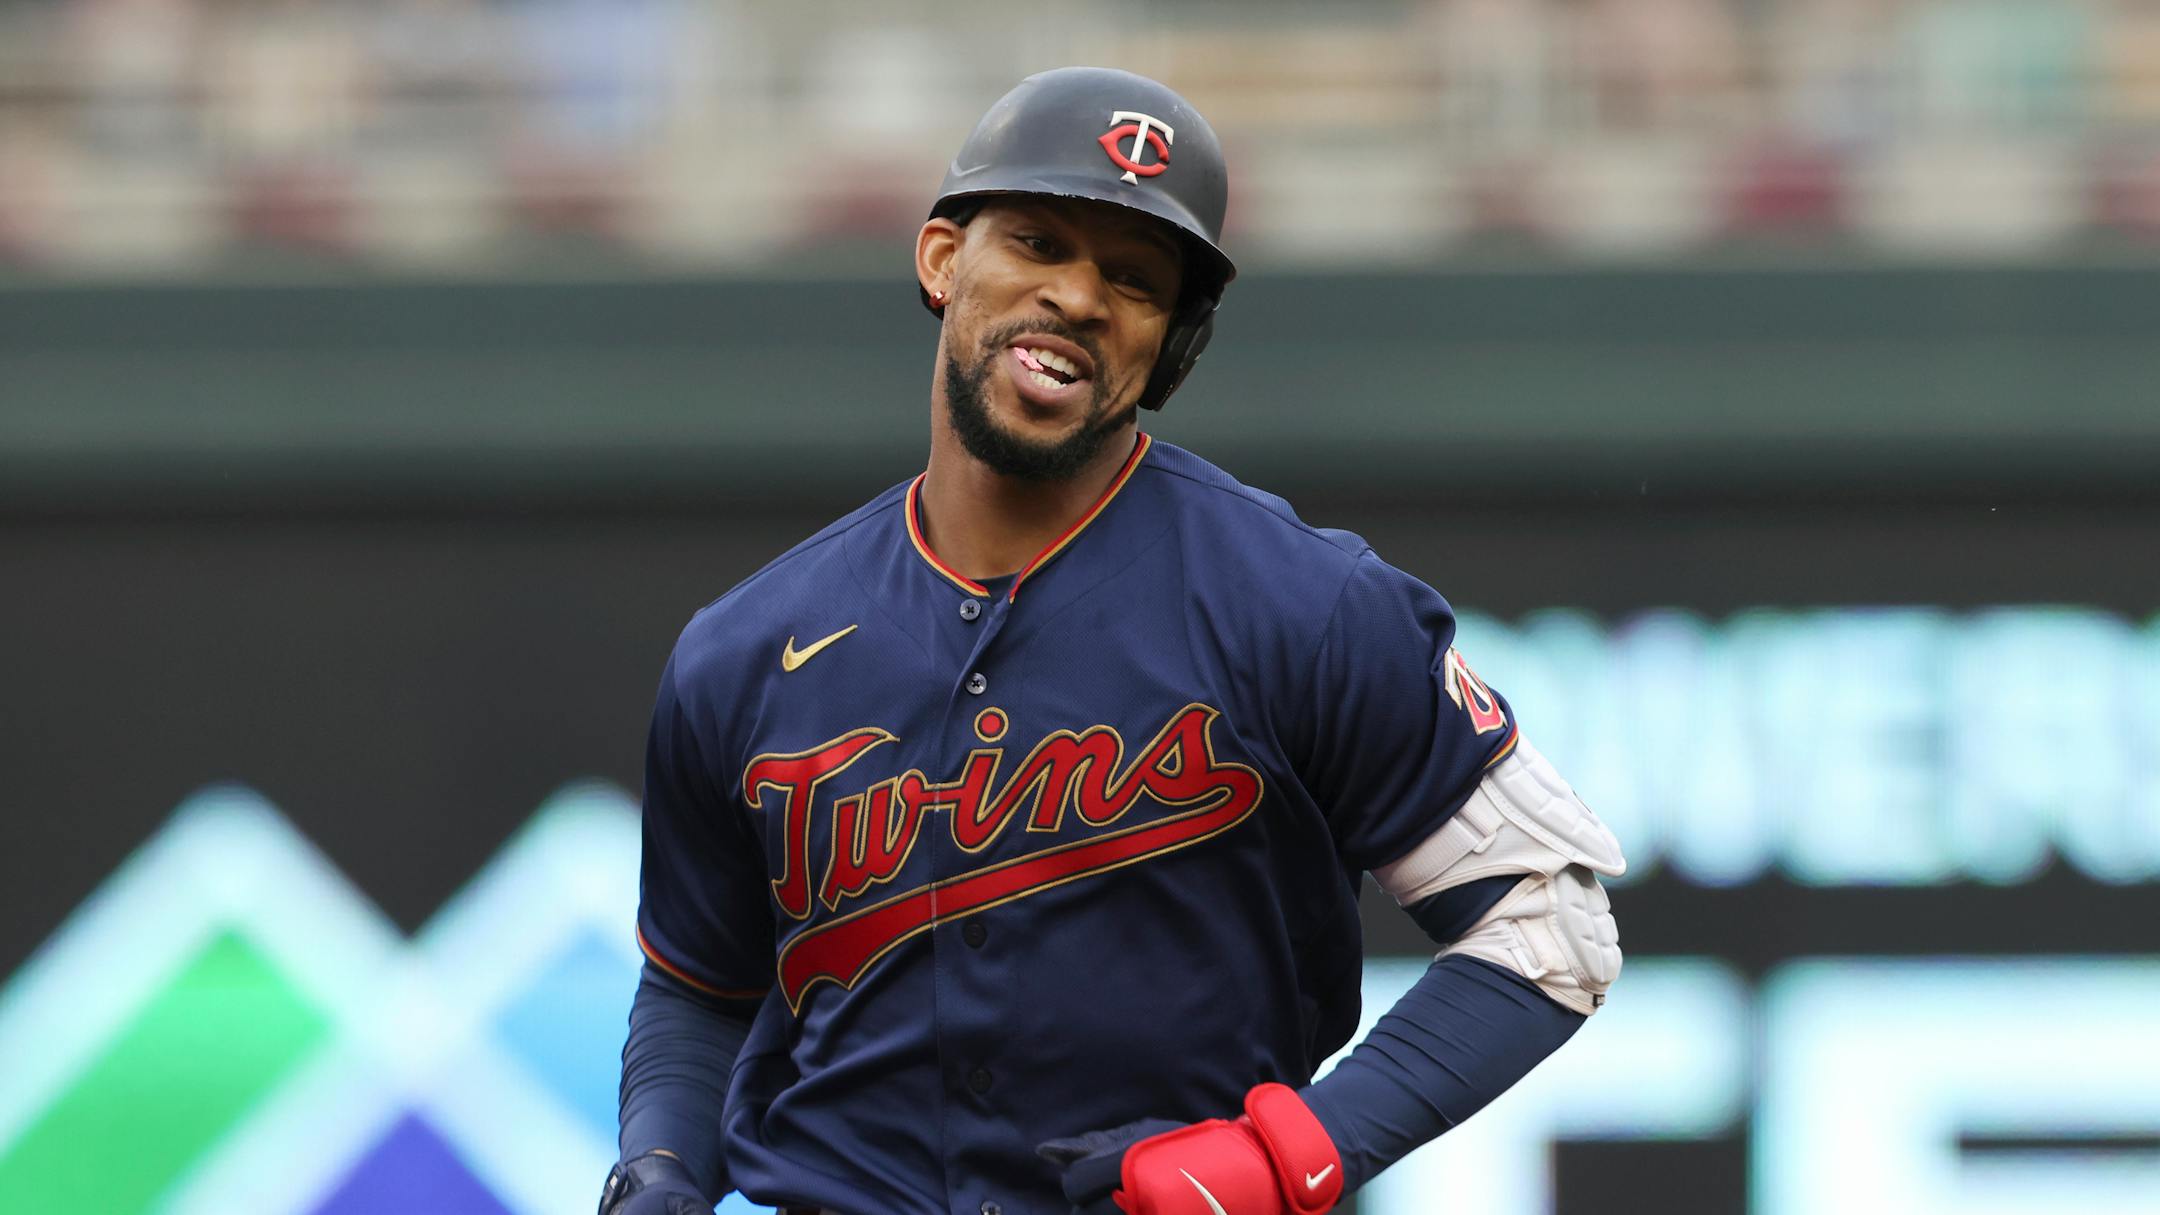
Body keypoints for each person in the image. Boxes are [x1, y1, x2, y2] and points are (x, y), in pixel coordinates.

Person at [600, 66, 1625, 1215]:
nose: (1079, 296)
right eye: (1038, 243)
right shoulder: (746, 648)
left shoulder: (1304, 602)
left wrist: (1295, 1153)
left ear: (1172, 344)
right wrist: (662, 1164)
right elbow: (699, 988)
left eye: (1133, 279)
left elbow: (1551, 924)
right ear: (941, 260)